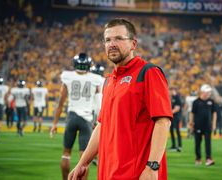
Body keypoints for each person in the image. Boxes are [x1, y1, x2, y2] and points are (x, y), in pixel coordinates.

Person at [68, 18, 172, 180]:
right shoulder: (109, 81)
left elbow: (163, 121)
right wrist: (83, 163)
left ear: (133, 44)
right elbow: (102, 125)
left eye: (118, 38)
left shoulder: (148, 72)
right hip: (108, 173)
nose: (112, 44)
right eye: (108, 40)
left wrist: (152, 167)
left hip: (137, 173)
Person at [51, 53, 103, 180]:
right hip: (87, 120)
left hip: (72, 117)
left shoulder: (67, 76)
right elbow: (99, 102)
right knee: (84, 159)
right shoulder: (96, 79)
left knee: (66, 154)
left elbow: (60, 103)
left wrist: (55, 123)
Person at [188, 84, 217, 166]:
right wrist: (191, 124)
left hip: (208, 126)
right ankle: (198, 158)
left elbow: (214, 113)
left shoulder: (211, 102)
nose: (209, 94)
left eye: (209, 92)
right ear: (203, 92)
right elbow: (192, 113)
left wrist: (214, 125)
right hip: (197, 126)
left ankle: (208, 158)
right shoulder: (196, 102)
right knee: (197, 143)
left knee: (208, 143)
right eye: (207, 92)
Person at [169, 87, 182, 152]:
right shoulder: (171, 98)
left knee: (177, 131)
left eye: (170, 90)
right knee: (171, 131)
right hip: (171, 117)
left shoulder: (177, 97)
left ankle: (179, 145)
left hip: (176, 117)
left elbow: (177, 108)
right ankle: (173, 145)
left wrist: (169, 113)